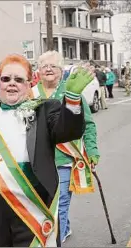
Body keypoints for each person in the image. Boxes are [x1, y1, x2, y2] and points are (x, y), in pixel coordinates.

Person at [0, 54, 92, 247]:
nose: (11, 84)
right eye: (6, 79)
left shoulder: (45, 110)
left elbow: (69, 131)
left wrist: (72, 99)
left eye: (18, 79)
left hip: (34, 204)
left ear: (29, 83)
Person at [31, 51, 100, 243]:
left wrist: (92, 150)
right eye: (44, 66)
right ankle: (64, 225)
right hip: (37, 160)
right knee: (42, 202)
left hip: (63, 160)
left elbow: (88, 124)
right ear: (38, 71)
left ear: (61, 71)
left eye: (53, 66)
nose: (48, 69)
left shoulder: (71, 92)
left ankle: (56, 239)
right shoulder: (30, 94)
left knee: (60, 203)